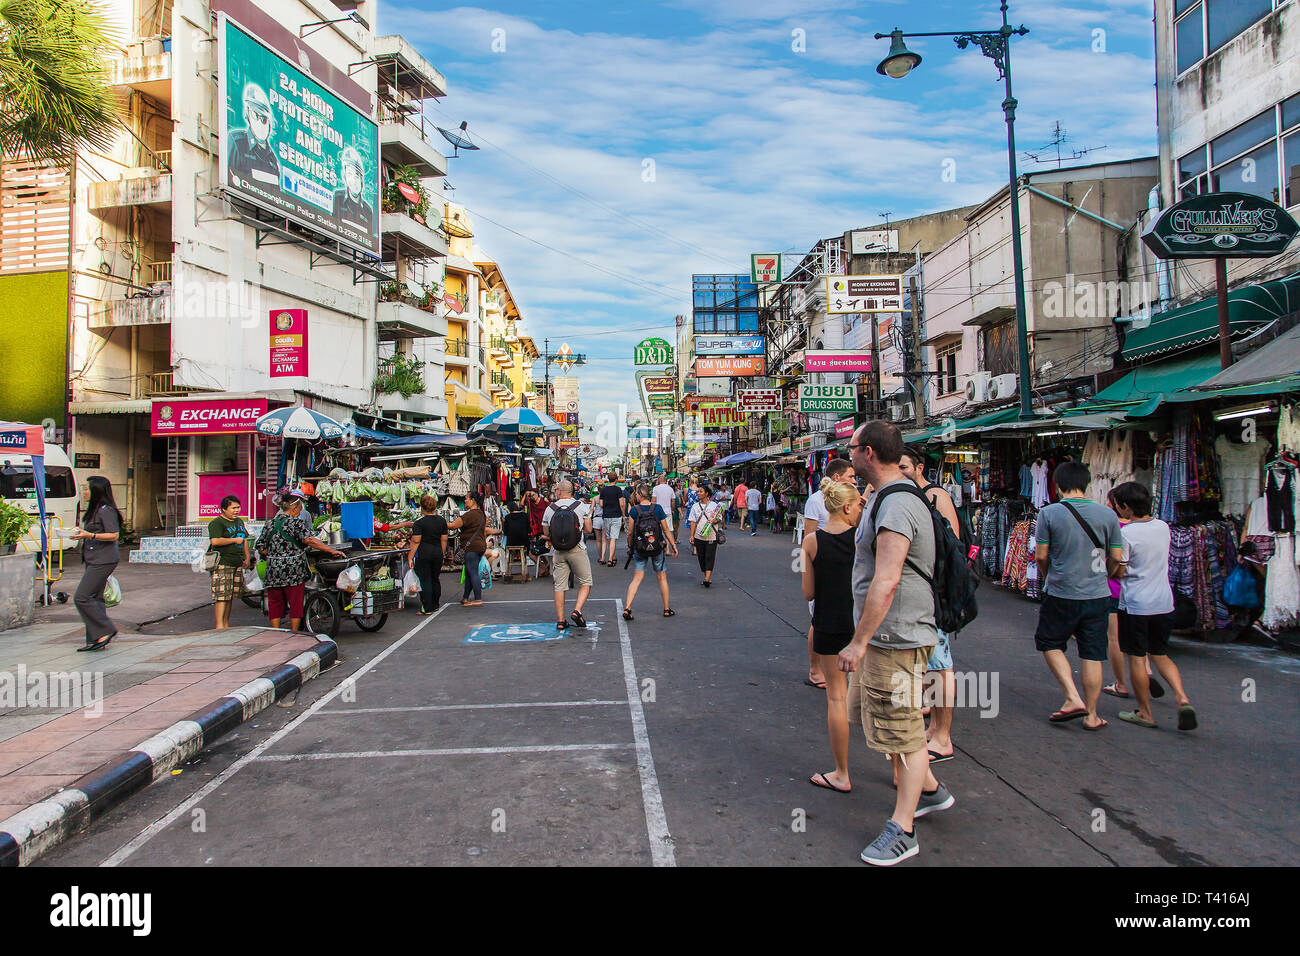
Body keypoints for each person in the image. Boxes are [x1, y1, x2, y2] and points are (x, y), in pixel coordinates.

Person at [839, 421, 952, 866]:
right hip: (887, 635)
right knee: (884, 722)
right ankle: (927, 788)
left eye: (851, 449)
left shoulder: (898, 503)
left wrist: (859, 642)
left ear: (868, 453)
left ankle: (903, 828)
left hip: (897, 636)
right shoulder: (885, 498)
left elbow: (886, 581)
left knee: (903, 728)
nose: (848, 456)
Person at [1034, 460, 1123, 732]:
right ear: (1086, 484)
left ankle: (1072, 697)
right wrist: (1103, 576)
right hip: (1098, 595)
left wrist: (1049, 576)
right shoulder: (1108, 515)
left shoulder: (1049, 513)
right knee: (1093, 653)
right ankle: (1093, 715)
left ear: (1058, 486)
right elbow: (1117, 558)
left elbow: (1040, 555)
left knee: (1050, 641)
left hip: (1061, 591)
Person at [1111, 482, 1197, 731]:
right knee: (1160, 654)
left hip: (1136, 604)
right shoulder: (1163, 527)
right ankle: (1182, 698)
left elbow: (1120, 571)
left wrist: (1109, 566)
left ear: (1125, 506)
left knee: (1137, 658)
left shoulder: (1126, 534)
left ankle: (1145, 713)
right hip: (1164, 602)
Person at [803, 477, 865, 795]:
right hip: (862, 626)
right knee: (879, 699)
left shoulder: (812, 542)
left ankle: (842, 772)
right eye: (857, 505)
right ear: (846, 507)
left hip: (828, 623)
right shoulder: (865, 540)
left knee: (837, 698)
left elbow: (808, 592)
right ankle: (901, 770)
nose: (859, 510)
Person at [899, 446, 960, 763]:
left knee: (939, 663)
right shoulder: (903, 496)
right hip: (917, 594)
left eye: (905, 466)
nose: (901, 471)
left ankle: (942, 734)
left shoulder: (936, 496)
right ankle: (934, 727)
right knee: (928, 661)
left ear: (919, 467)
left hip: (934, 593)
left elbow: (953, 547)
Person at [1102, 490, 1165, 701]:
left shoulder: (1116, 529)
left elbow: (1111, 561)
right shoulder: (1156, 527)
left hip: (1115, 589)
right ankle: (1146, 671)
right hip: (1147, 592)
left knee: (1115, 639)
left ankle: (1121, 684)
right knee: (1138, 640)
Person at [803, 457, 857, 690]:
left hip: (833, 590)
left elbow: (808, 592)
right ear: (837, 477)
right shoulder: (815, 501)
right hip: (827, 569)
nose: (855, 480)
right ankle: (815, 669)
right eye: (851, 477)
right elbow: (808, 533)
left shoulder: (856, 501)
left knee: (837, 696)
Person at [256, 491, 345, 631]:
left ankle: (276, 633)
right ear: (294, 508)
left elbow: (261, 547)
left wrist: (276, 555)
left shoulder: (270, 524)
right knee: (295, 603)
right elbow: (309, 540)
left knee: (275, 603)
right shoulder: (296, 523)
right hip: (293, 569)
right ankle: (294, 633)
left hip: (273, 570)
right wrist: (331, 550)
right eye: (300, 507)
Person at [71, 476, 122, 651]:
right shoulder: (95, 510)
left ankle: (106, 630)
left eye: (86, 489)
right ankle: (96, 638)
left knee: (82, 597)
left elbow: (114, 535)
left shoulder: (106, 510)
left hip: (104, 559)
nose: (84, 492)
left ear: (96, 491)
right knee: (95, 597)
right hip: (94, 558)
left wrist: (89, 535)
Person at [542, 479, 593, 629]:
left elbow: (546, 532)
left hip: (558, 550)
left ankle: (560, 620)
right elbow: (589, 529)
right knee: (585, 582)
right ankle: (577, 610)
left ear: (559, 492)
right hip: (577, 548)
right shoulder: (581, 506)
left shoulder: (550, 508)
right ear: (572, 492)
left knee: (559, 585)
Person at [623, 482, 678, 619]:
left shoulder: (634, 510)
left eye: (636, 493)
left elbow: (630, 532)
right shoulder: (657, 509)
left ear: (640, 495)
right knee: (662, 577)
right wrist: (673, 545)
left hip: (640, 548)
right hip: (657, 548)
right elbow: (665, 529)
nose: (635, 495)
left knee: (637, 578)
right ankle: (666, 608)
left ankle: (627, 608)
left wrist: (630, 546)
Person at [207, 495, 251, 630]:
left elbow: (243, 540)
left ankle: (226, 624)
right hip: (223, 563)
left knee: (230, 595)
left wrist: (247, 557)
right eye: (233, 508)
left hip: (237, 562)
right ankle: (219, 626)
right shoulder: (217, 523)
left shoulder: (239, 522)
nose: (236, 510)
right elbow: (214, 541)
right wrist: (233, 540)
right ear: (224, 509)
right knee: (222, 596)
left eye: (238, 507)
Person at [447, 492, 496, 607]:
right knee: (470, 572)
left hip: (472, 547)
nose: (465, 501)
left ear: (473, 500)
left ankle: (478, 598)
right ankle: (465, 597)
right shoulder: (482, 514)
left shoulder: (469, 515)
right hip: (479, 546)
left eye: (466, 499)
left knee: (473, 572)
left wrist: (440, 522)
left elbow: (453, 526)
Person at [407, 494, 448, 614]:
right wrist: (442, 553)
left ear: (422, 507)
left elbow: (416, 541)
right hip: (437, 552)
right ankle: (435, 604)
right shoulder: (442, 521)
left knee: (425, 580)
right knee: (435, 578)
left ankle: (427, 606)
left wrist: (410, 557)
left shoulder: (419, 523)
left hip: (424, 553)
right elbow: (444, 539)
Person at [687, 484, 724, 586]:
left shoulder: (714, 505)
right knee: (701, 557)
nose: (698, 493)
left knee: (710, 556)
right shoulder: (695, 506)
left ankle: (707, 578)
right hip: (699, 535)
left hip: (711, 535)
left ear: (707, 494)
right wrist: (691, 535)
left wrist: (714, 521)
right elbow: (693, 522)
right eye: (698, 491)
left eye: (701, 491)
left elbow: (719, 518)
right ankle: (706, 575)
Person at [597, 477, 626, 567]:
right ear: (616, 480)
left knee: (609, 537)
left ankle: (612, 557)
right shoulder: (618, 489)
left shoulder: (604, 490)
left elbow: (601, 504)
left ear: (608, 479)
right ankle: (610, 558)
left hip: (606, 515)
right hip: (616, 515)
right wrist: (623, 515)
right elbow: (622, 503)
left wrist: (607, 507)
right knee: (613, 538)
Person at [502, 500, 533, 581]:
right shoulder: (524, 515)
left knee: (510, 544)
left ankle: (508, 570)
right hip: (523, 541)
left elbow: (505, 532)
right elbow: (529, 530)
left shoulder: (507, 517)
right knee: (526, 545)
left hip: (511, 542)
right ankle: (524, 568)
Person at [651, 475, 677, 545]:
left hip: (657, 511)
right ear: (665, 481)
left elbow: (653, 501)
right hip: (668, 511)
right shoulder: (670, 489)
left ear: (659, 481)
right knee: (667, 530)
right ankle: (668, 549)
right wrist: (672, 509)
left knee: (657, 529)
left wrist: (651, 510)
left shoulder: (655, 488)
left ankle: (658, 544)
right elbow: (673, 501)